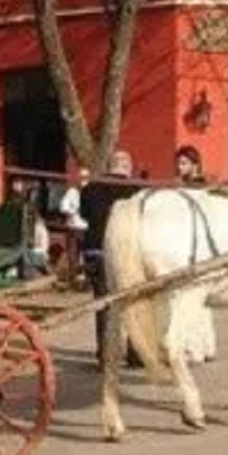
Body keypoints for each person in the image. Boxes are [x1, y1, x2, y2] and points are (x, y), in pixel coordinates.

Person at [79, 153, 144, 367]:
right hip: (127, 252)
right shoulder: (136, 191)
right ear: (128, 167)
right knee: (133, 302)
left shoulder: (89, 189)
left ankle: (106, 356)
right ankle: (135, 354)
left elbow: (85, 215)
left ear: (109, 167)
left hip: (96, 250)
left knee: (104, 304)